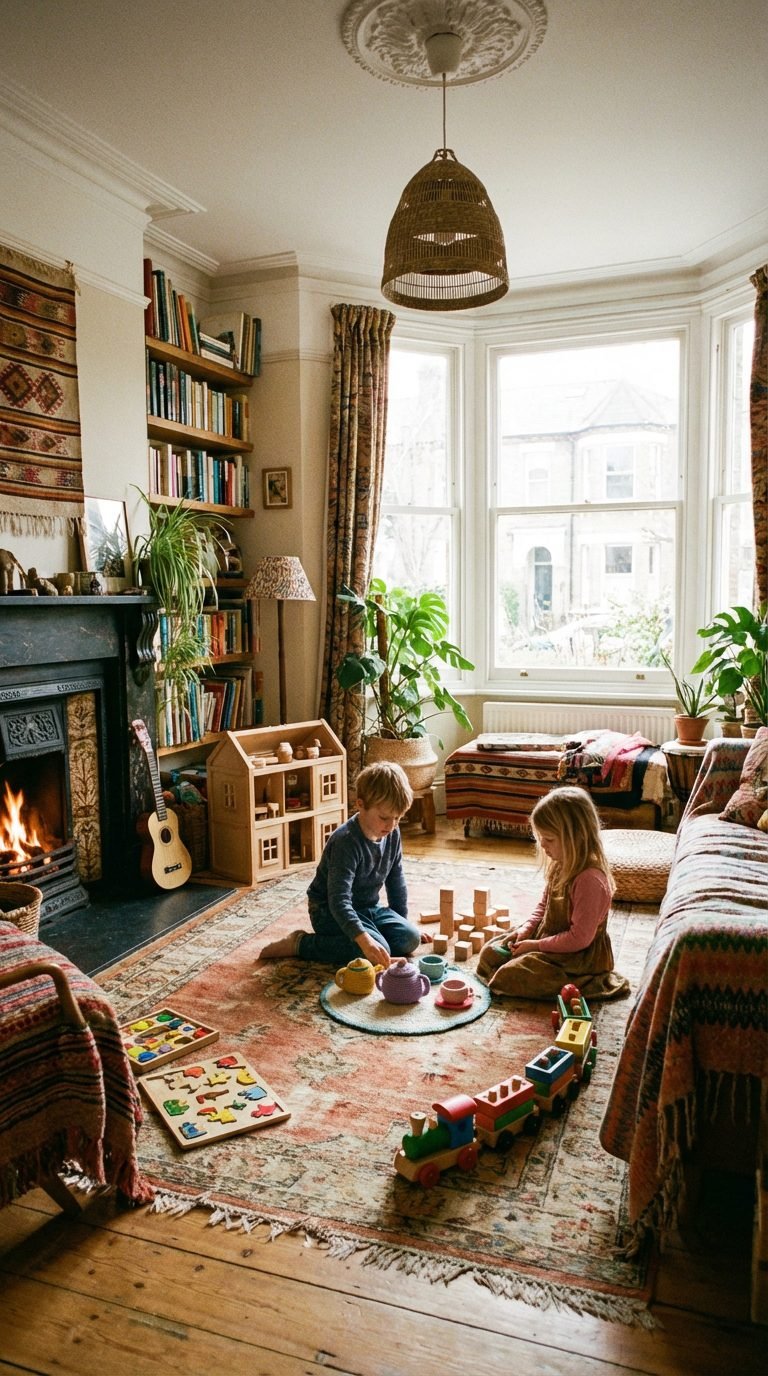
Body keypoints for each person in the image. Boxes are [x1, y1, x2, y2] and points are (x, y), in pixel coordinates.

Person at [258, 760, 421, 967]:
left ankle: (370, 937)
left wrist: (401, 922)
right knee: (373, 949)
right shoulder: (346, 842)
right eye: (384, 818)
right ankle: (301, 944)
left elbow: (396, 881)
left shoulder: (392, 833)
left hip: (367, 908)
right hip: (328, 912)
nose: (392, 825)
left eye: (397, 818)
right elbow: (338, 900)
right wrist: (364, 940)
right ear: (360, 805)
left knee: (410, 938)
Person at [476, 785, 630, 1001]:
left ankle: (582, 982)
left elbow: (579, 939)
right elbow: (543, 907)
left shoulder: (590, 880)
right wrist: (525, 931)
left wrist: (535, 946)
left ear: (576, 837)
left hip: (577, 957)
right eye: (540, 838)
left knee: (511, 976)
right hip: (548, 938)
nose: (543, 845)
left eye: (549, 839)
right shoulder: (561, 863)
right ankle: (519, 960)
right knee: (490, 953)